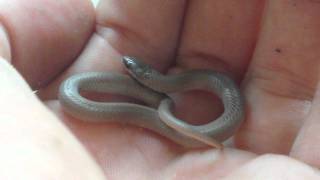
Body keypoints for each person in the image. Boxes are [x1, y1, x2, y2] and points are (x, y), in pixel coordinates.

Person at [0, 0, 319, 179]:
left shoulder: (180, 87)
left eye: (131, 68)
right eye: (129, 66)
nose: (127, 65)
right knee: (155, 105)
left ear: (144, 77)